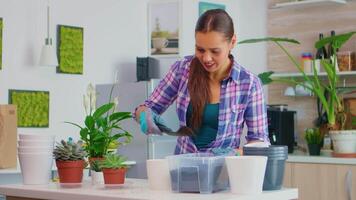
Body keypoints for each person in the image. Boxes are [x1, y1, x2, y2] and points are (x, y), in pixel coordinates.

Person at [134, 9, 269, 154]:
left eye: (215, 51)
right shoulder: (182, 69)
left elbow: (259, 142)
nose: (206, 58)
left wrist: (234, 154)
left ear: (232, 42)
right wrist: (144, 115)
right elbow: (149, 107)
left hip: (224, 171)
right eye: (200, 49)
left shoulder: (249, 84)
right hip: (183, 169)